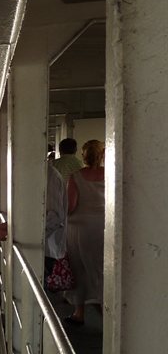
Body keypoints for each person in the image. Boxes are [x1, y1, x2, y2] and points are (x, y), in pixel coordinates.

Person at [64, 139, 105, 326]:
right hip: (103, 227)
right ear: (102, 155)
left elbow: (71, 206)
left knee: (79, 269)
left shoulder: (76, 176)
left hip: (79, 229)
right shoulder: (110, 175)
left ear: (83, 156)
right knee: (100, 270)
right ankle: (106, 312)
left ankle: (79, 312)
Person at [45, 154, 67, 275]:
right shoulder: (44, 173)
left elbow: (55, 215)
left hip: (47, 246)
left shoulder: (51, 176)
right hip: (44, 245)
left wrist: (33, 236)